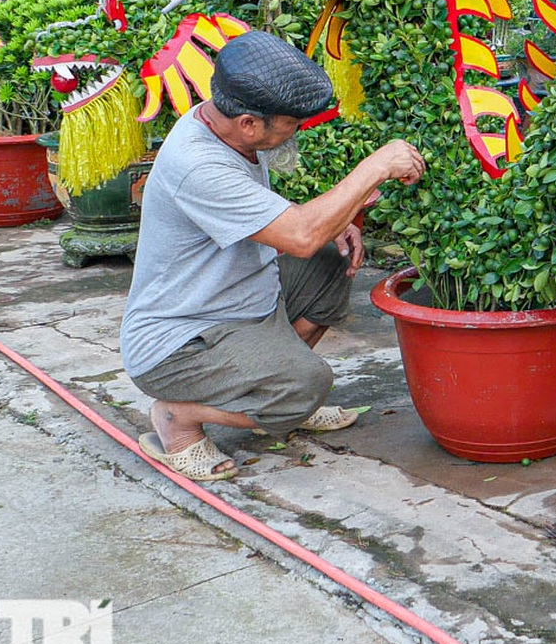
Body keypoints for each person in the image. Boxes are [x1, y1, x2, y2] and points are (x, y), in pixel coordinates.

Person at [122, 30, 425, 481]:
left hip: (238, 301)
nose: (297, 130)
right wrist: (375, 167)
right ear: (249, 122)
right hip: (181, 343)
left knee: (330, 258)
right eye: (291, 123)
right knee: (309, 385)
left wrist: (340, 220)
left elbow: (292, 229)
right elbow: (300, 235)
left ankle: (270, 394)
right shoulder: (197, 164)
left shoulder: (227, 126)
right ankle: (179, 417)